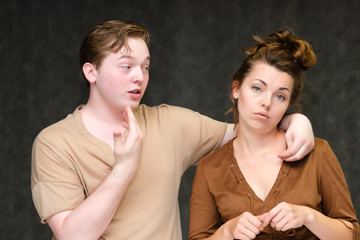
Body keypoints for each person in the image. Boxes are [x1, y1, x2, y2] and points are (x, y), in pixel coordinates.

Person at [31, 20, 315, 240]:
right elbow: (73, 235)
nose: (139, 77)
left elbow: (250, 130)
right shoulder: (55, 143)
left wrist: (295, 121)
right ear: (91, 72)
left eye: (145, 67)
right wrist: (124, 168)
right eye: (126, 66)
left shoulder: (170, 124)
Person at [189, 28, 360, 240]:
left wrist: (309, 217)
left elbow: (351, 234)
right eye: (257, 88)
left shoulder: (318, 153)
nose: (266, 102)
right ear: (236, 89)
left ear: (288, 104)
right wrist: (227, 231)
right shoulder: (209, 168)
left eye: (280, 96)